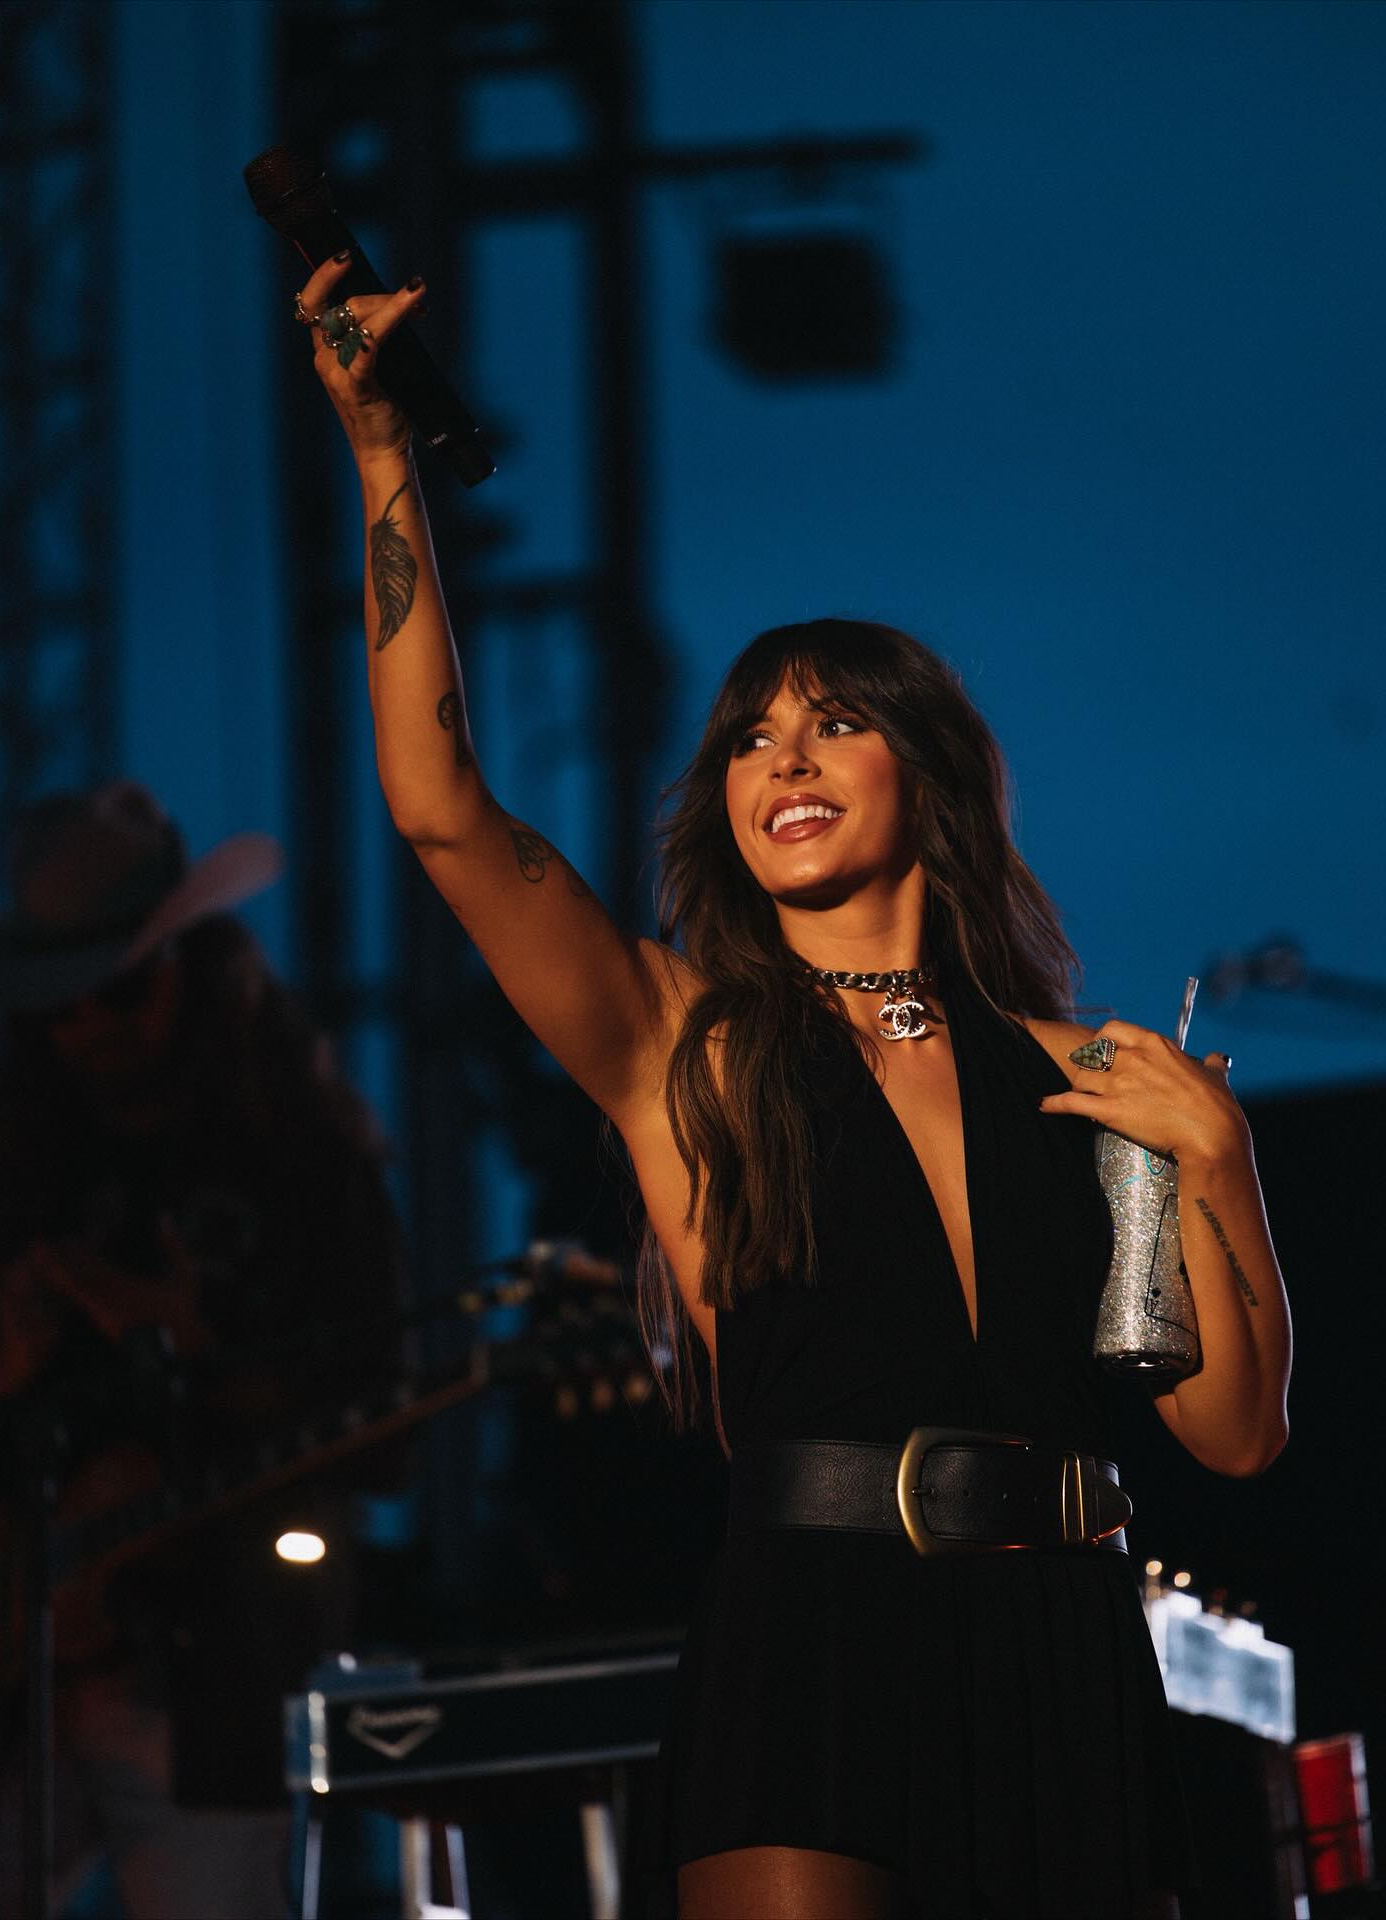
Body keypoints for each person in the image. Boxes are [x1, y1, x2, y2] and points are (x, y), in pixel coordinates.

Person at [297, 257, 1291, 1920]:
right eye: (752, 737)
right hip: (809, 1630)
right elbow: (440, 806)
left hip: (1062, 1645)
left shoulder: (1092, 1086)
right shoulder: (680, 1038)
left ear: (931, 778)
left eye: (833, 724)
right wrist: (386, 459)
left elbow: (1234, 1434)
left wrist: (1223, 1167)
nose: (786, 759)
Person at [0, 781, 406, 1920]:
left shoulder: (303, 1161)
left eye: (122, 990)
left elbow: (385, 1426)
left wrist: (197, 1352)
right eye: (62, 1005)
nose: (91, 1026)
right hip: (4, 1696)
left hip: (211, 1679)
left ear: (190, 966)